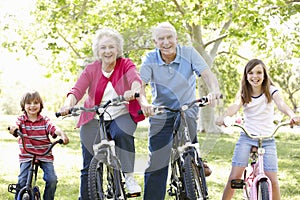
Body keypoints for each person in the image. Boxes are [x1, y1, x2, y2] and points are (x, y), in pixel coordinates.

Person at [138, 22, 222, 200]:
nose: (166, 42)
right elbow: (140, 85)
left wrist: (214, 91)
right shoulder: (150, 58)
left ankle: (195, 167)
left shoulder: (189, 53)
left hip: (187, 108)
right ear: (155, 42)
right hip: (161, 111)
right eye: (161, 38)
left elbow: (207, 74)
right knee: (158, 162)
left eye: (169, 37)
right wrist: (144, 103)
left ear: (176, 39)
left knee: (190, 151)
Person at [59, 27, 144, 200]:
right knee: (88, 163)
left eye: (111, 47)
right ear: (98, 51)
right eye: (103, 48)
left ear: (118, 49)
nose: (107, 51)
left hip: (120, 114)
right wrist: (67, 105)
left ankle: (128, 177)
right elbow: (77, 90)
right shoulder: (91, 69)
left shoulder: (125, 64)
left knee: (122, 133)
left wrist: (133, 91)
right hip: (94, 116)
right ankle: (86, 196)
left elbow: (135, 79)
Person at [215, 59, 300, 200]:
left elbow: (281, 104)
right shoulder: (244, 92)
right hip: (247, 137)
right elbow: (235, 106)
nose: (255, 76)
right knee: (235, 177)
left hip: (267, 138)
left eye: (259, 72)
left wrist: (292, 115)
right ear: (246, 76)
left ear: (265, 75)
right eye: (251, 73)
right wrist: (224, 116)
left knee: (273, 181)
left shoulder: (271, 90)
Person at [8, 90, 69, 200]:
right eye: (29, 103)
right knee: (22, 181)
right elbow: (14, 125)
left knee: (52, 179)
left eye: (36, 103)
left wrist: (62, 135)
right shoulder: (21, 120)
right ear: (23, 105)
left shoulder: (44, 120)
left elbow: (54, 128)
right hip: (27, 155)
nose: (32, 106)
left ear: (40, 105)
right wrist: (13, 129)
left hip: (44, 154)